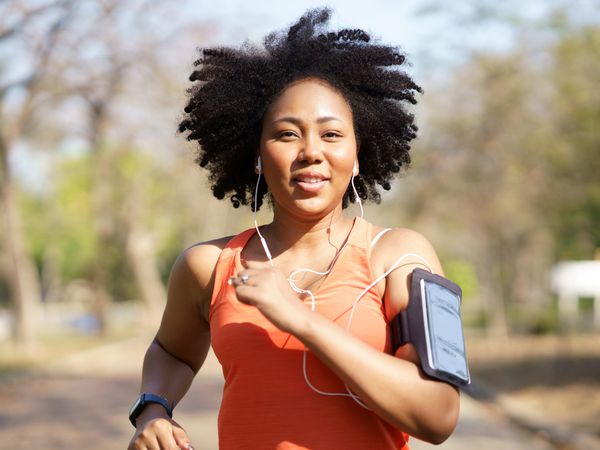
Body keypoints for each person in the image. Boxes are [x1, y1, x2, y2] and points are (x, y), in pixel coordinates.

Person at [128, 8, 460, 450]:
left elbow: (437, 416)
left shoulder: (398, 257)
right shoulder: (208, 266)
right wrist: (153, 408)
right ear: (257, 156)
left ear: (358, 154)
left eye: (332, 135)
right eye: (287, 135)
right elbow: (172, 352)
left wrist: (301, 320)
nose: (310, 153)